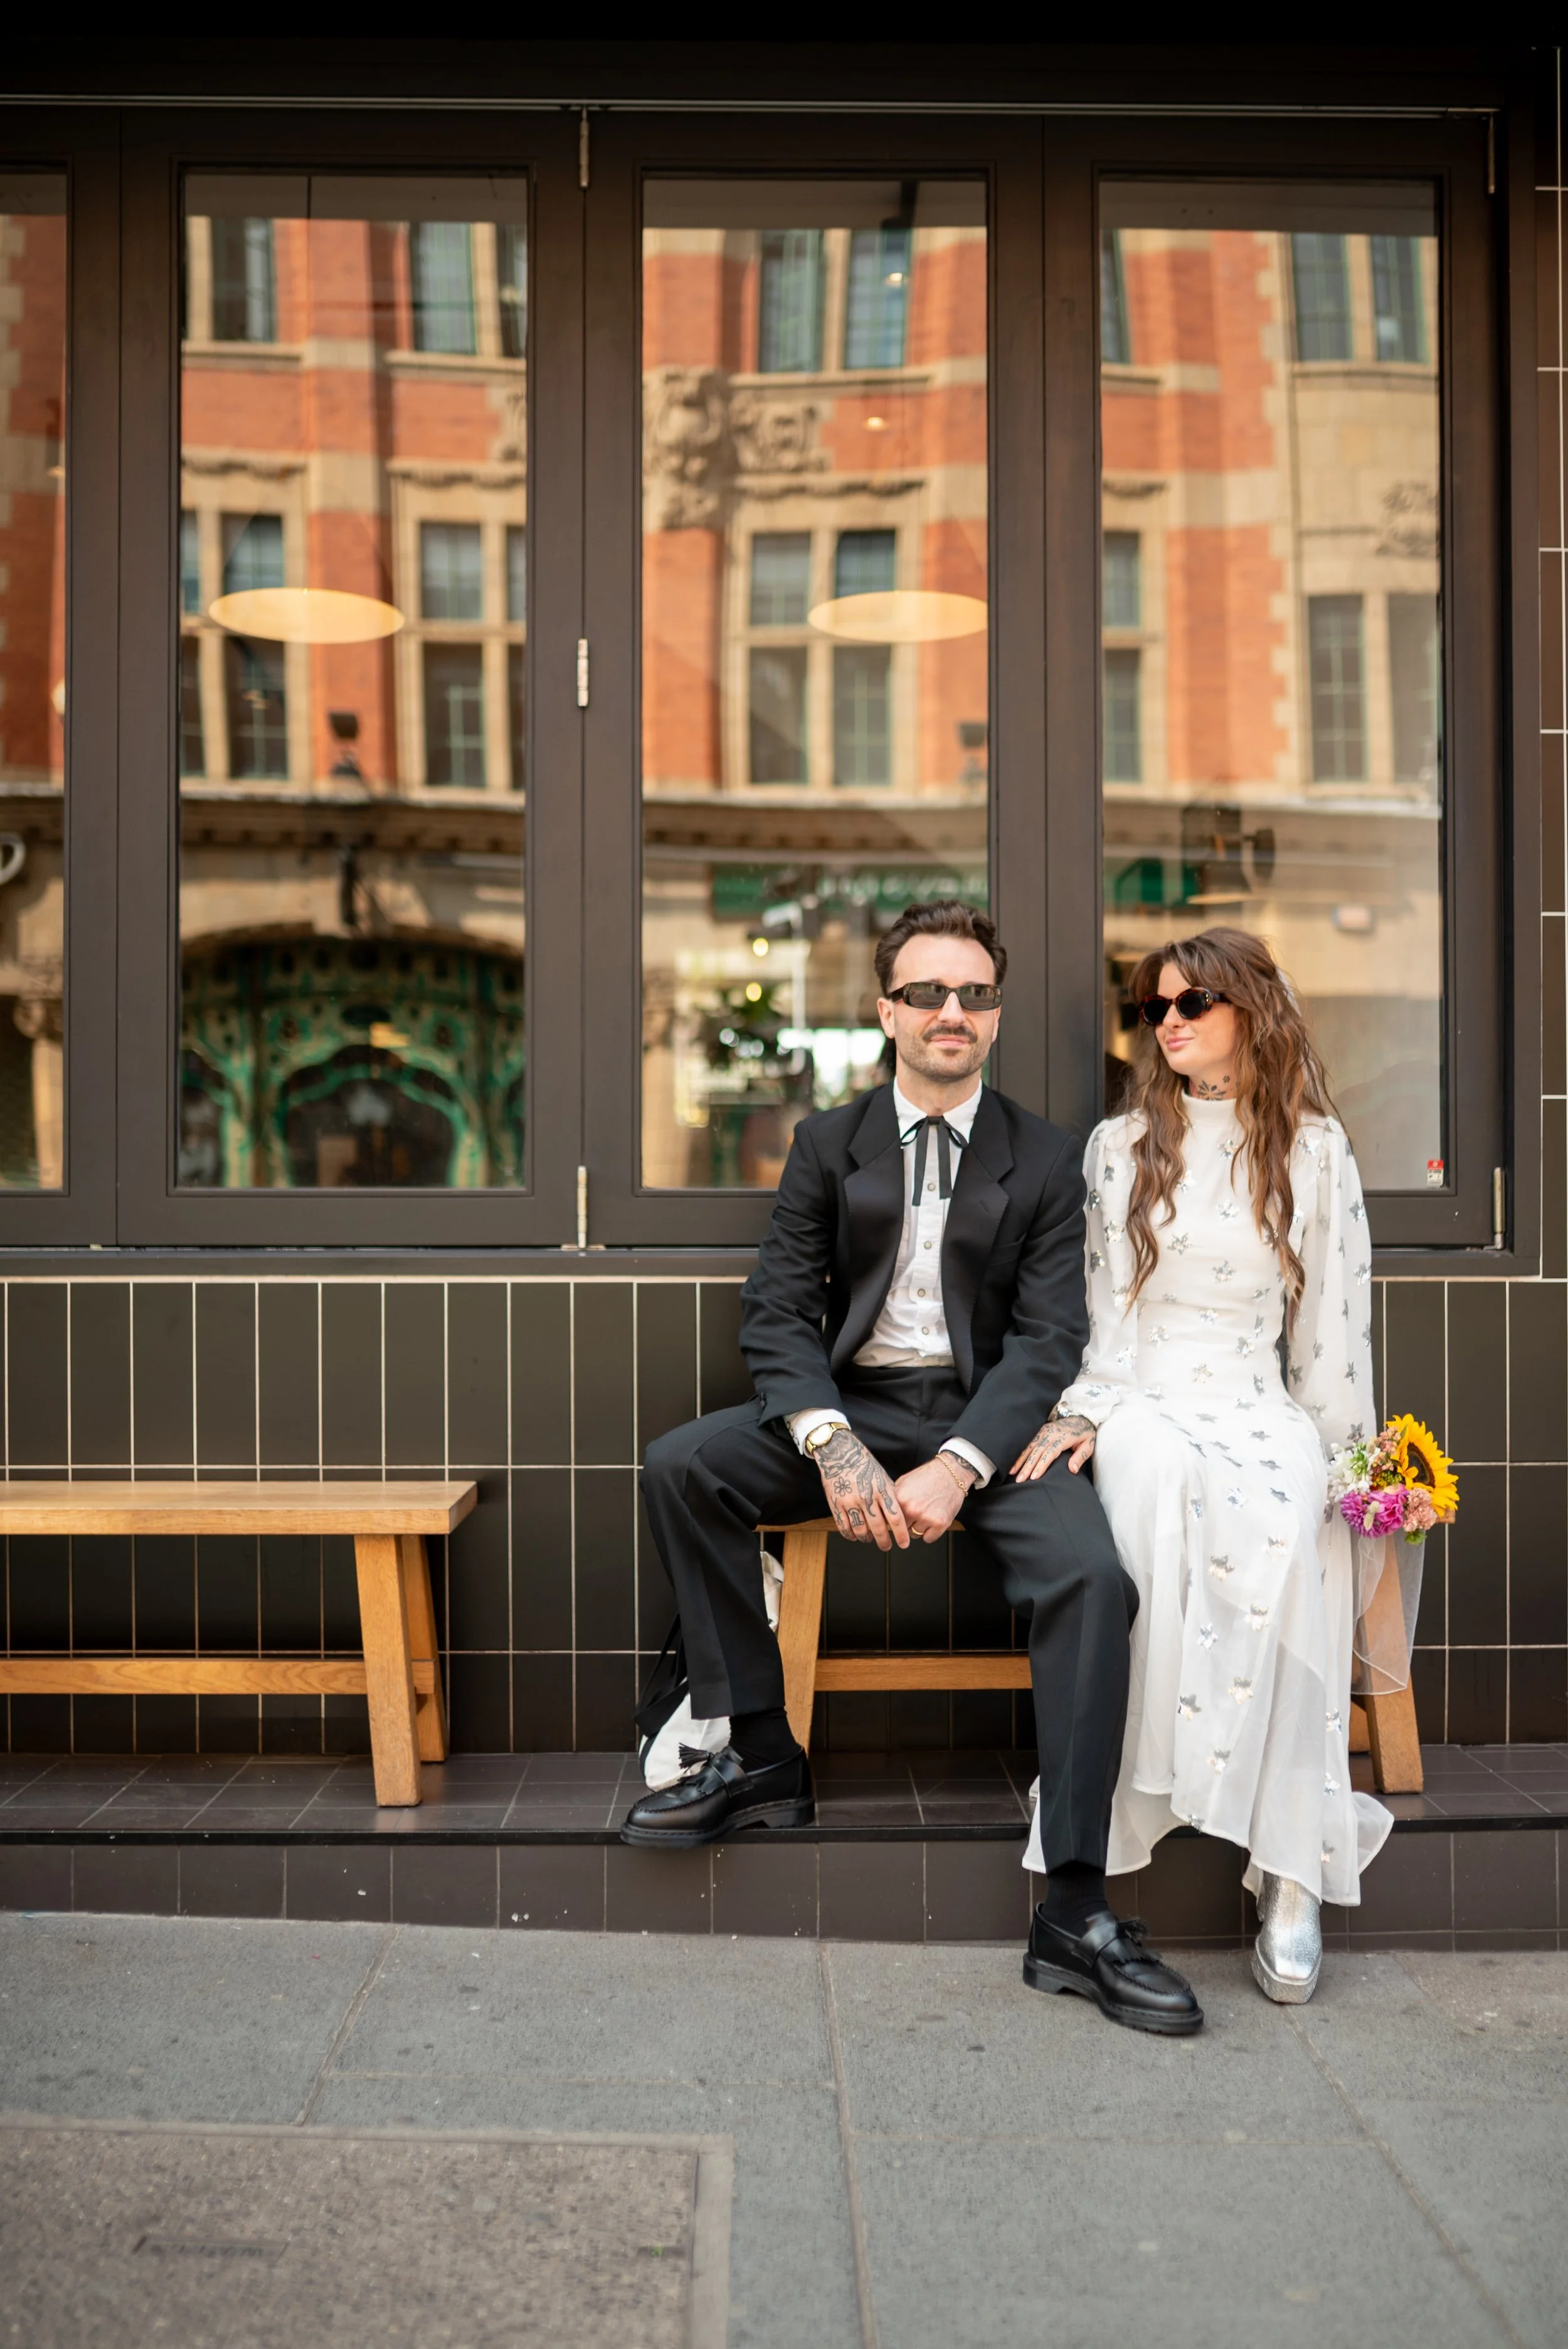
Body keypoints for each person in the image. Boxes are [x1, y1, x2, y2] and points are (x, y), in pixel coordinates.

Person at [621, 899, 1202, 2037]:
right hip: (858, 1408)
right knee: (684, 1466)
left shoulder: (1043, 1156)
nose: (953, 1012)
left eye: (974, 994)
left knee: (1092, 1579)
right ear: (888, 1009)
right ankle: (760, 1760)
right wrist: (830, 1441)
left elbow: (1048, 1337)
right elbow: (780, 1311)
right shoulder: (826, 1143)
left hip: (990, 1424)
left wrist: (961, 1465)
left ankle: (1076, 1910)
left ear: (996, 1014)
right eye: (929, 993)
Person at [1013, 926, 1387, 2004]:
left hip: (1256, 1395)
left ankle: (1292, 1866)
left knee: (1292, 1503)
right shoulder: (1120, 1146)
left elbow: (1332, 1328)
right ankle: (1139, 1802)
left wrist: (1345, 1462)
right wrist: (1089, 1408)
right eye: (1153, 1009)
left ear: (1250, 1012)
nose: (1167, 1024)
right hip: (1148, 1392)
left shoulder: (1314, 1153)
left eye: (1191, 1004)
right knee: (1157, 1484)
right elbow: (1104, 1309)